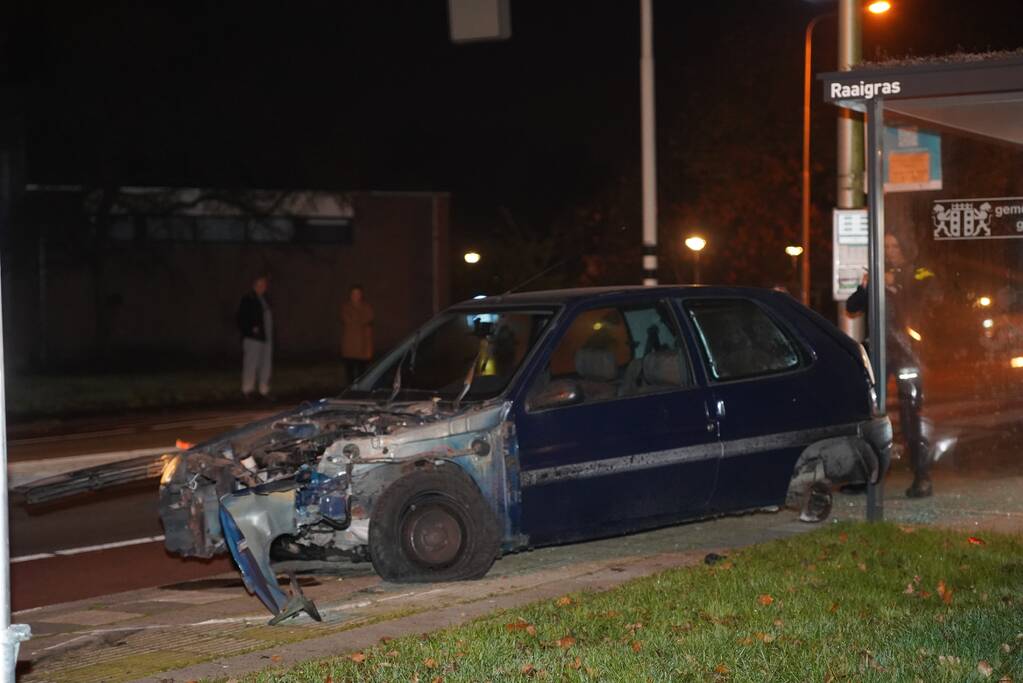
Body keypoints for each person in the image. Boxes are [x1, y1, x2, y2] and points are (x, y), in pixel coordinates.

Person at [846, 232, 937, 498]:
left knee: (911, 414)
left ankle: (922, 476)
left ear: (904, 247)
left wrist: (895, 284)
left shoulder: (917, 272)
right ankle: (866, 476)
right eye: (884, 246)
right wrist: (866, 287)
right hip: (879, 353)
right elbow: (853, 307)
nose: (889, 250)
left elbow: (928, 297)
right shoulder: (877, 272)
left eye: (893, 245)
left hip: (907, 353)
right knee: (870, 412)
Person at [237, 274, 273, 400]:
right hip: (253, 338)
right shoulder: (248, 299)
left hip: (266, 338)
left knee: (265, 364)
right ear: (254, 285)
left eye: (264, 285)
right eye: (259, 284)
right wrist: (251, 330)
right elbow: (241, 318)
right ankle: (247, 390)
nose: (262, 287)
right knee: (251, 363)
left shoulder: (265, 299)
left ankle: (264, 390)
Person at [341, 284, 374, 384]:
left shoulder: (367, 307)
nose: (356, 296)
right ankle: (349, 389)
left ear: (361, 295)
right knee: (349, 372)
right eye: (354, 294)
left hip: (362, 347)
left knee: (362, 372)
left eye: (358, 293)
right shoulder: (345, 307)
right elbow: (346, 319)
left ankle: (361, 390)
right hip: (349, 347)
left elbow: (369, 318)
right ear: (350, 295)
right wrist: (359, 319)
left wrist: (357, 319)